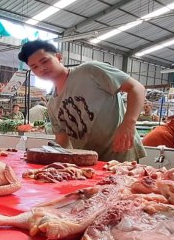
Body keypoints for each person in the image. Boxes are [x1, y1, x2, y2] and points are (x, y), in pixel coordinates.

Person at [17, 40, 146, 162]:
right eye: (34, 67)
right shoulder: (52, 104)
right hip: (90, 162)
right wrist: (48, 154)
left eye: (45, 61)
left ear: (59, 57)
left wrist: (129, 123)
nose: (41, 68)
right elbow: (62, 140)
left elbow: (136, 88)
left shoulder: (90, 71)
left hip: (121, 155)